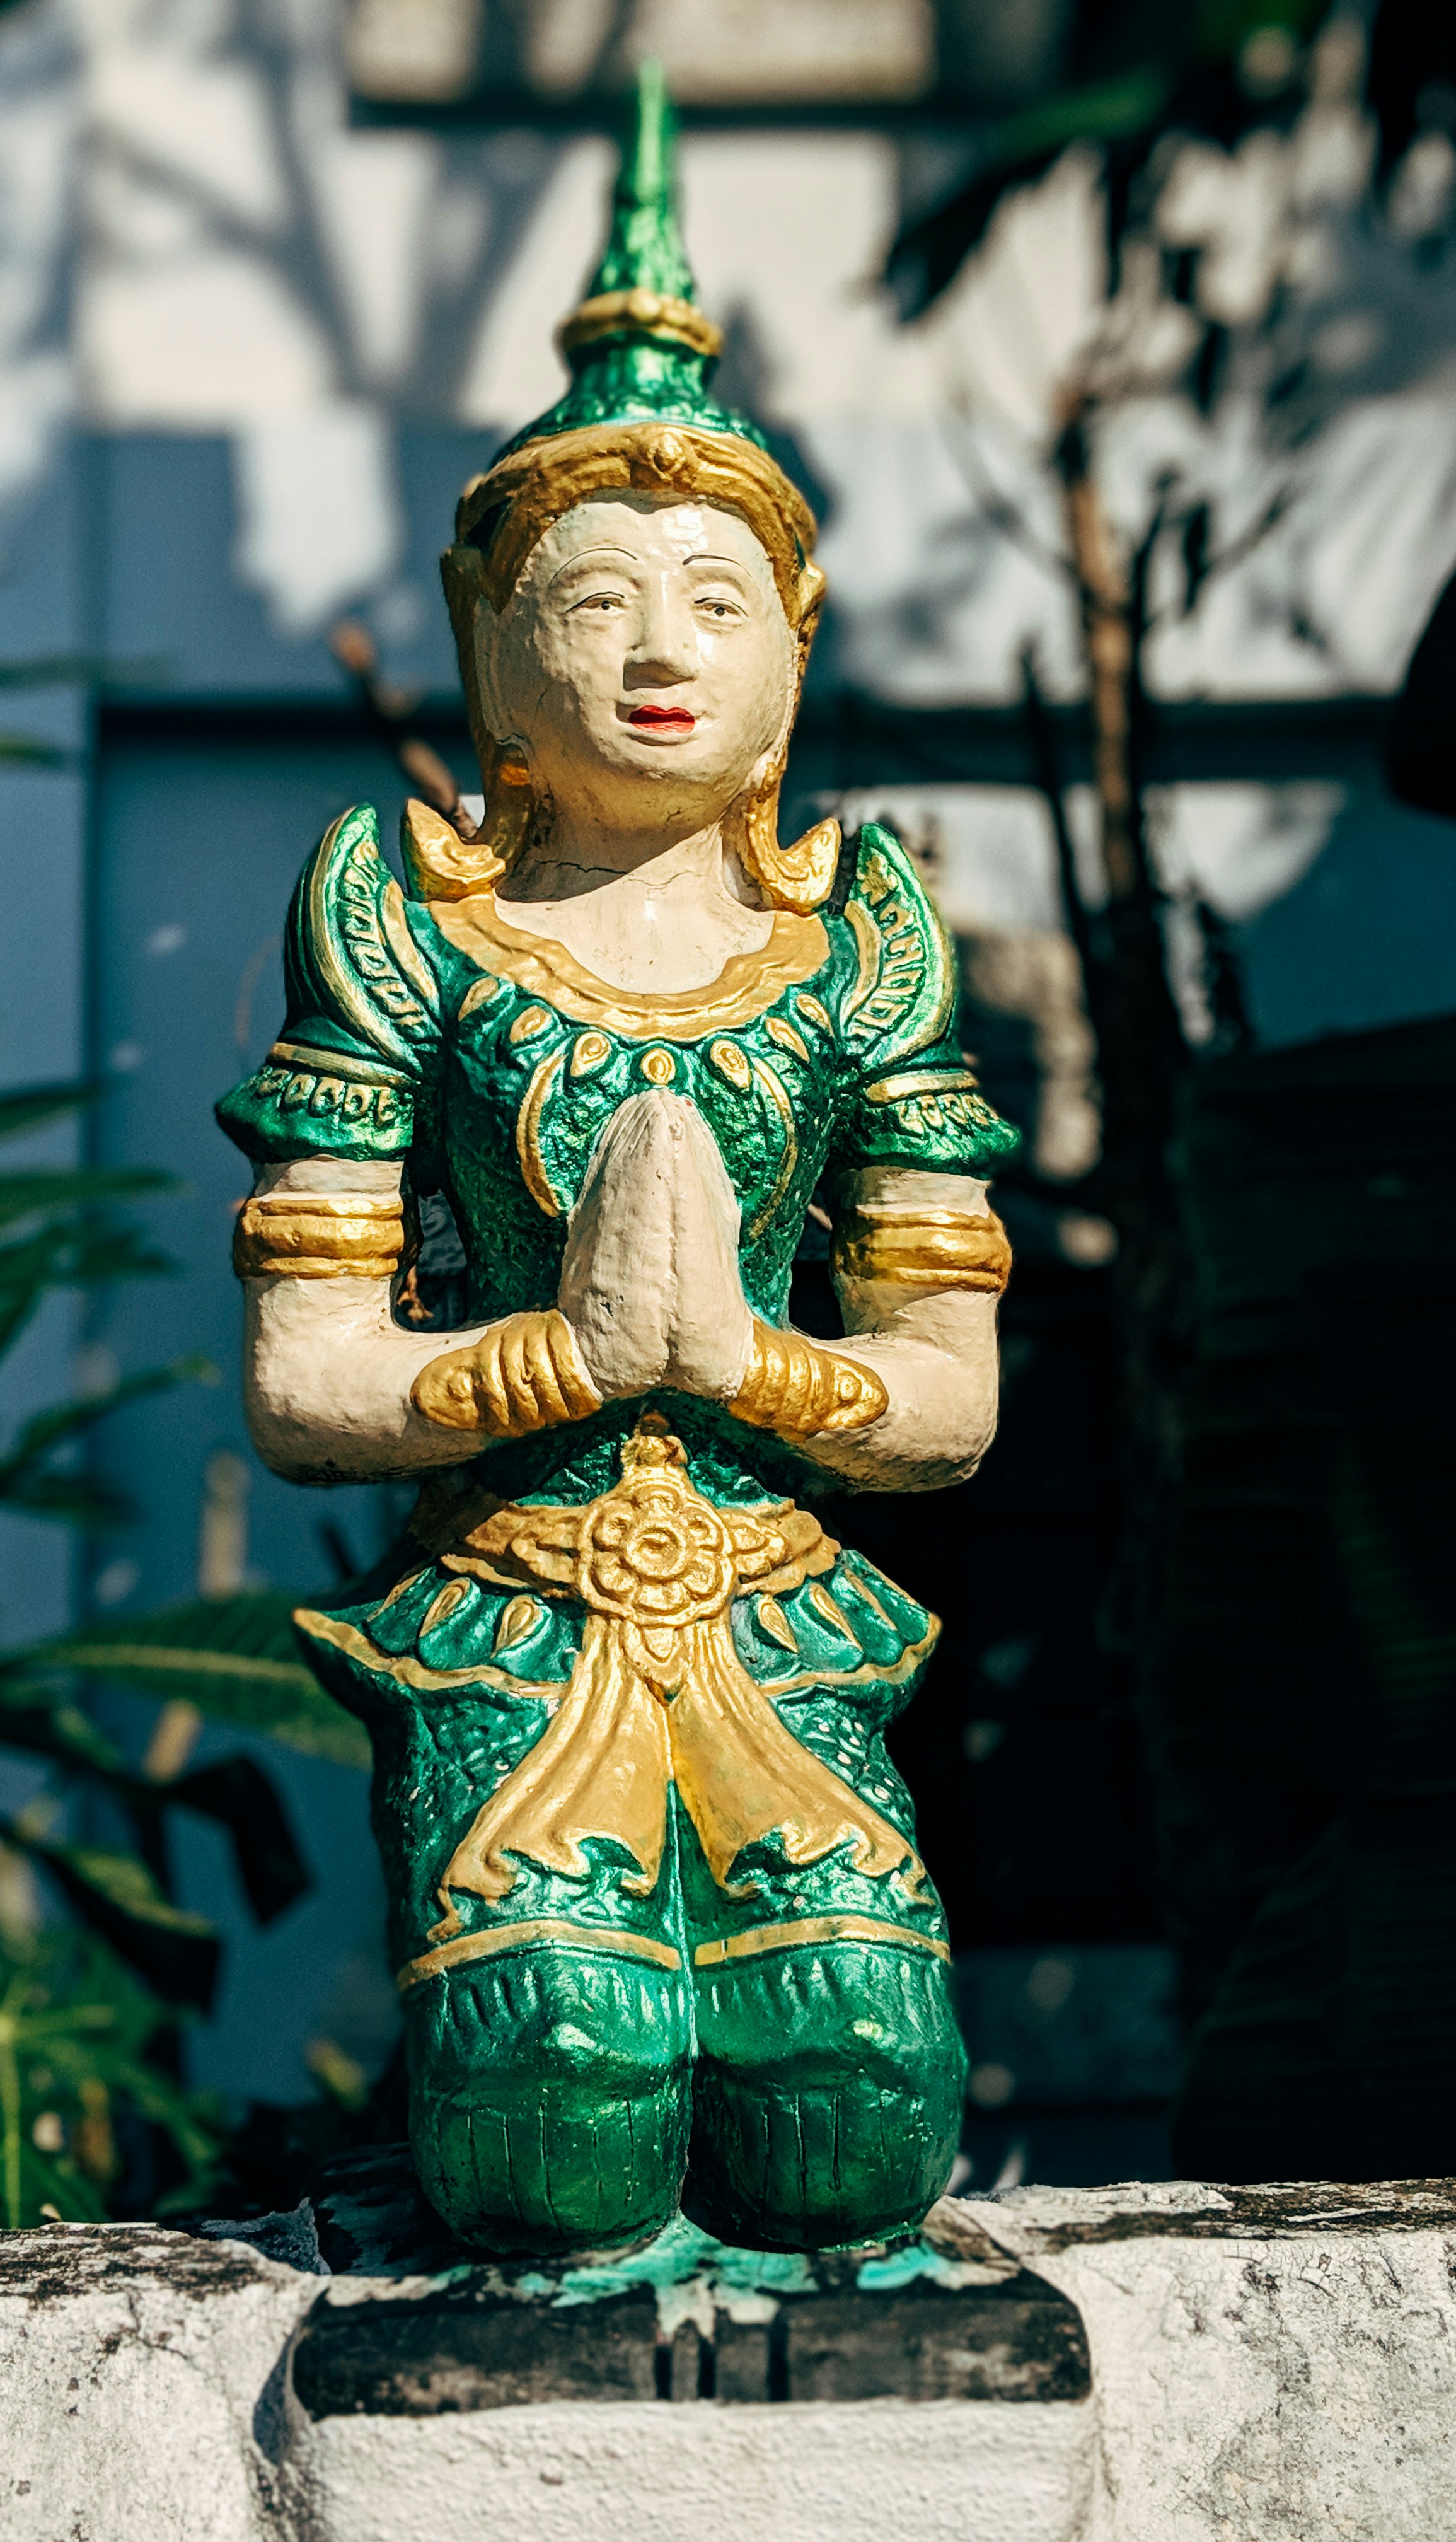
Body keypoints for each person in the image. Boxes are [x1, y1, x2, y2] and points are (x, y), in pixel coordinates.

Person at [217, 65, 1018, 2255]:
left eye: (714, 601)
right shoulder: (408, 929)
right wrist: (565, 1358)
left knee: (860, 2116)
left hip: (778, 1614)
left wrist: (747, 1361)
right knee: (556, 2120)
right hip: (516, 1614)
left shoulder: (855, 948)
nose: (659, 649)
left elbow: (949, 1399)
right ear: (494, 649)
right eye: (591, 602)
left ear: (793, 654)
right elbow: (305, 1390)